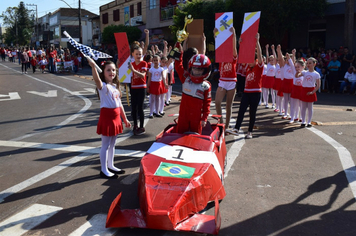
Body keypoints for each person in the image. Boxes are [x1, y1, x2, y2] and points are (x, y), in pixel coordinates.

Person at [88, 59, 131, 179]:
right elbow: (97, 80)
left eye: (113, 70)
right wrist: (93, 67)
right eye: (108, 70)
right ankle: (103, 169)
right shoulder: (104, 87)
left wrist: (125, 119)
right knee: (105, 145)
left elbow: (120, 104)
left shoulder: (115, 87)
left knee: (113, 144)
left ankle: (111, 165)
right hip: (107, 117)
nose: (111, 72)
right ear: (103, 73)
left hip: (116, 118)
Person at [229, 33, 263, 139]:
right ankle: (236, 128)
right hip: (246, 92)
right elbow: (241, 56)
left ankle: (250, 131)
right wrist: (241, 45)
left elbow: (260, 56)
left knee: (252, 113)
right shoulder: (247, 67)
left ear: (256, 60)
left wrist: (257, 41)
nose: (249, 61)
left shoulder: (259, 67)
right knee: (241, 110)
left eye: (251, 59)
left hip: (256, 93)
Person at [174, 48, 212, 134]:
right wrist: (179, 52)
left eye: (200, 69)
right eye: (195, 69)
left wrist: (204, 118)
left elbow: (207, 104)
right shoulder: (185, 79)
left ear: (205, 70)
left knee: (196, 136)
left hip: (197, 117)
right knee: (179, 135)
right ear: (191, 68)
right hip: (184, 115)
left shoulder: (206, 86)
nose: (197, 72)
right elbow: (178, 66)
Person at [213, 27, 238, 130]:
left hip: (231, 81)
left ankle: (226, 126)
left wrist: (234, 35)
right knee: (217, 102)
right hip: (222, 81)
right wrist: (215, 35)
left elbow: (234, 48)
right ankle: (221, 122)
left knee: (229, 105)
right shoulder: (220, 56)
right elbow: (218, 46)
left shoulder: (233, 57)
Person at [130, 46, 148, 135]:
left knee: (140, 107)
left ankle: (141, 126)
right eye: (136, 54)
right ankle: (135, 125)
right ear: (133, 54)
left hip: (141, 87)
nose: (138, 55)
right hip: (133, 88)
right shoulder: (131, 64)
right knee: (133, 108)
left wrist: (133, 70)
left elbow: (143, 75)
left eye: (140, 54)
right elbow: (126, 75)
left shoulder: (144, 63)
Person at [300, 57, 321, 128]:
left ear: (314, 64)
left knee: (310, 107)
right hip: (304, 89)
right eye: (307, 63)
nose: (308, 64)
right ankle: (303, 121)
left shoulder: (316, 74)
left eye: (310, 63)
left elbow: (318, 86)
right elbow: (297, 75)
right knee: (303, 107)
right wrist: (297, 70)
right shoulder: (304, 72)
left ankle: (309, 121)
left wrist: (312, 92)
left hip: (311, 90)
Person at [287, 53, 304, 123]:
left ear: (303, 67)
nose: (297, 68)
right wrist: (289, 57)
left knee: (301, 105)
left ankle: (300, 117)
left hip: (301, 89)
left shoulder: (305, 72)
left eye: (298, 67)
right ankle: (292, 117)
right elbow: (291, 63)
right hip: (295, 89)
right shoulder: (294, 71)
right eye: (296, 67)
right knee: (293, 104)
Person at [262, 44, 276, 109]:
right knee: (267, 92)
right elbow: (267, 56)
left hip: (272, 79)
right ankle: (266, 103)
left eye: (272, 60)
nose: (271, 61)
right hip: (267, 78)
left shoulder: (275, 65)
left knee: (272, 92)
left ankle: (273, 104)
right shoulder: (268, 64)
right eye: (270, 60)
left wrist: (273, 49)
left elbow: (275, 56)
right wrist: (267, 48)